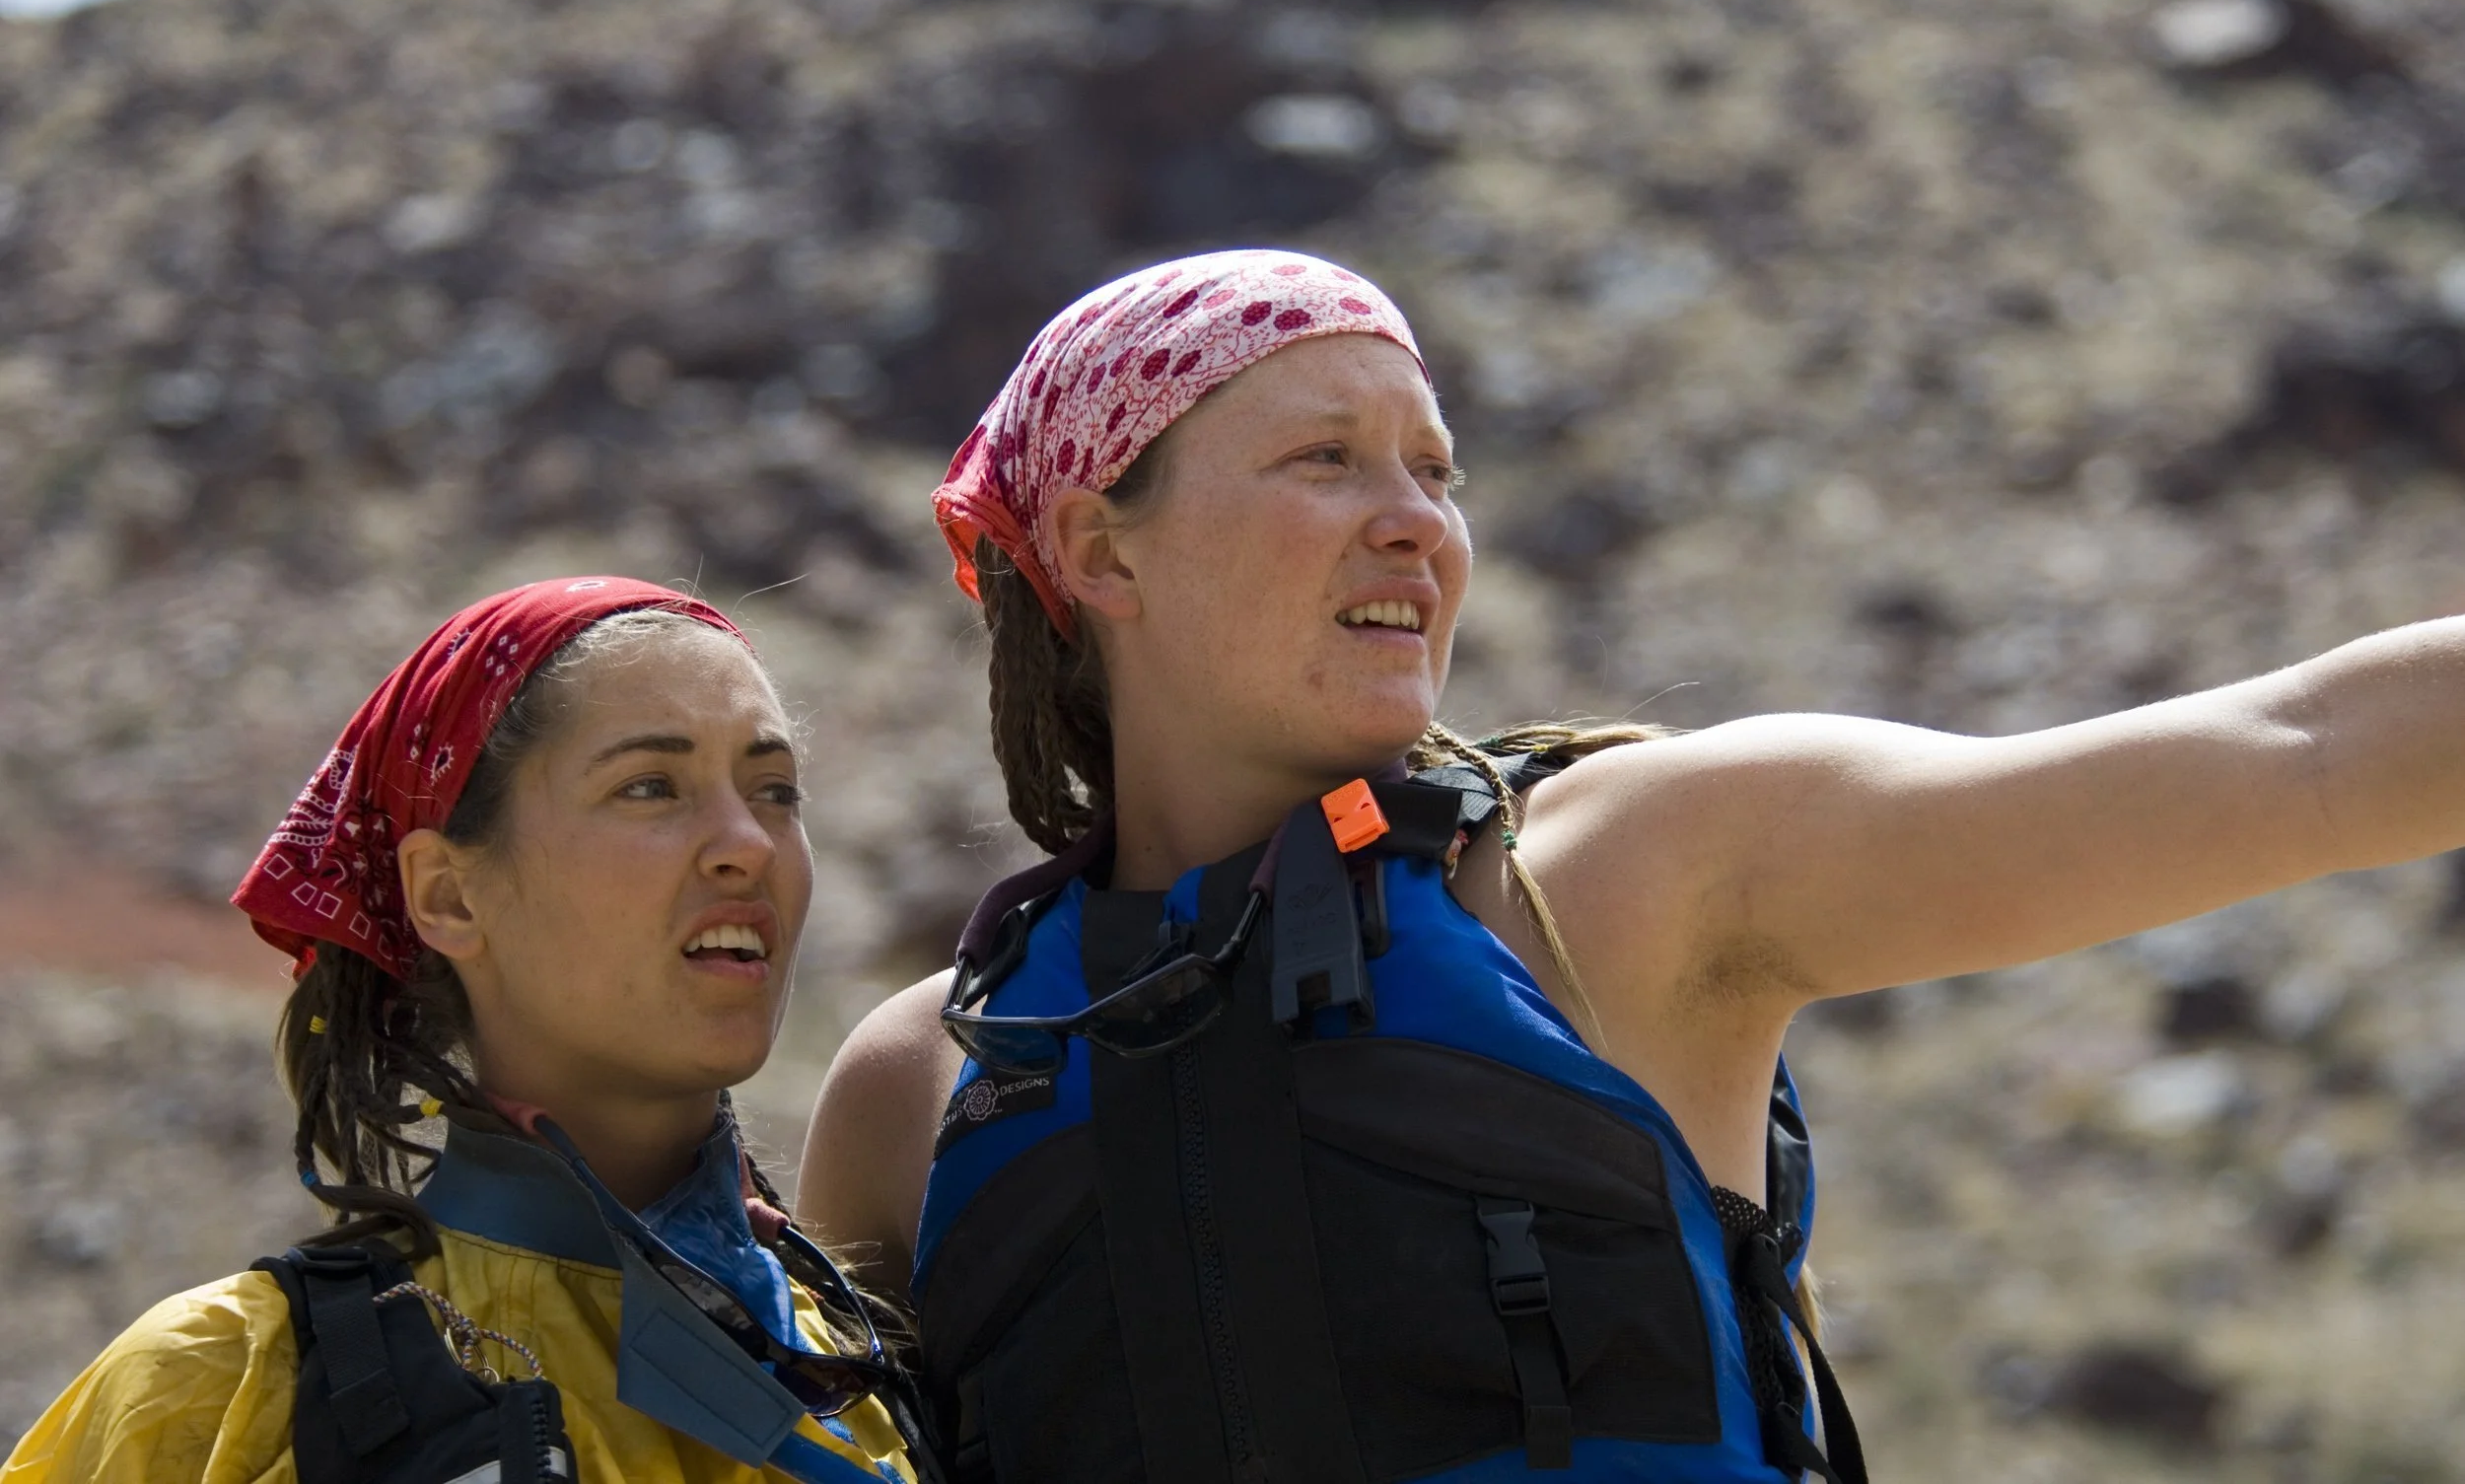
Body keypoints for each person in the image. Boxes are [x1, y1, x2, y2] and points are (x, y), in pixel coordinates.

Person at [799, 248, 2465, 1484]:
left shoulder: (1639, 871)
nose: (1418, 522)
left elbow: (2305, 750)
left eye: (1435, 470)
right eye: (1326, 459)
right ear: (1100, 549)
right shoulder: (920, 1084)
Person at [5, 578, 928, 1484]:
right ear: (448, 895)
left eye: (775, 791)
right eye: (650, 786)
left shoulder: (865, 1375)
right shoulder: (224, 1397)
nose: (750, 843)